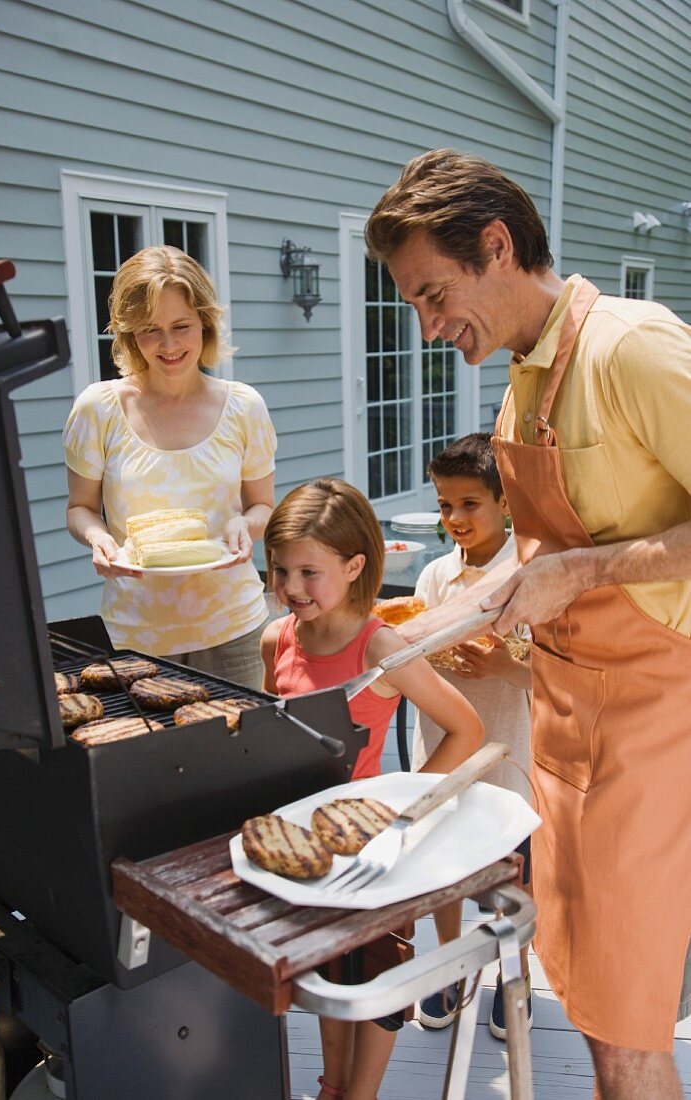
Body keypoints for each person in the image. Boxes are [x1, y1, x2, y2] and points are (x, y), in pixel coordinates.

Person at [365, 148, 691, 1099]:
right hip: (567, 728)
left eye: (433, 295)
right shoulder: (524, 380)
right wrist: (434, 624)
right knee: (590, 1004)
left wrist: (581, 571)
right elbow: (546, 556)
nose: (427, 329)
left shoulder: (631, 347)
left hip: (650, 728)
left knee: (631, 1029)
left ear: (497, 246)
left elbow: (584, 562)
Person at [261, 477, 485, 1100]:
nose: (291, 588)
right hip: (305, 845)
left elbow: (466, 728)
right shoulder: (276, 638)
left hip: (371, 849)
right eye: (280, 571)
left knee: (379, 976)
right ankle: (333, 1086)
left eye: (310, 572)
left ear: (355, 565)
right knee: (329, 969)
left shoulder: (378, 648)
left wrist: (404, 808)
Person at [63, 245, 276, 689]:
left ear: (205, 322)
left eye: (181, 326)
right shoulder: (98, 408)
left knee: (241, 756)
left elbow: (263, 506)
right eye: (150, 330)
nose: (169, 345)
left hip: (234, 628)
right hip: (138, 634)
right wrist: (99, 537)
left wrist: (245, 524)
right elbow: (79, 509)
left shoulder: (244, 407)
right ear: (128, 335)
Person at [410, 433, 533, 1041]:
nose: (454, 518)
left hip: (508, 754)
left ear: (505, 503)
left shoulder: (528, 575)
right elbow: (409, 648)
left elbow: (552, 674)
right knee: (441, 870)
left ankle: (515, 974)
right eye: (444, 504)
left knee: (509, 872)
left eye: (469, 504)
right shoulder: (434, 577)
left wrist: (503, 667)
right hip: (440, 751)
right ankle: (453, 964)